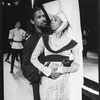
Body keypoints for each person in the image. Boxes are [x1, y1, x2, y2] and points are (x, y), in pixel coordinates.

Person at [31, 0, 83, 100]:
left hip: (63, 81)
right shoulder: (44, 39)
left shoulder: (72, 44)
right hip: (47, 80)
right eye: (51, 20)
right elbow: (33, 58)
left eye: (55, 20)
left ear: (63, 23)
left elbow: (77, 66)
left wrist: (61, 70)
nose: (51, 22)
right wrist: (47, 71)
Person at [21, 7, 52, 100]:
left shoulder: (53, 33)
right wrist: (41, 71)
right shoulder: (29, 42)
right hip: (40, 82)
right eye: (39, 17)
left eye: (43, 16)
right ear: (32, 21)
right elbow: (25, 65)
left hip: (56, 79)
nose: (43, 18)